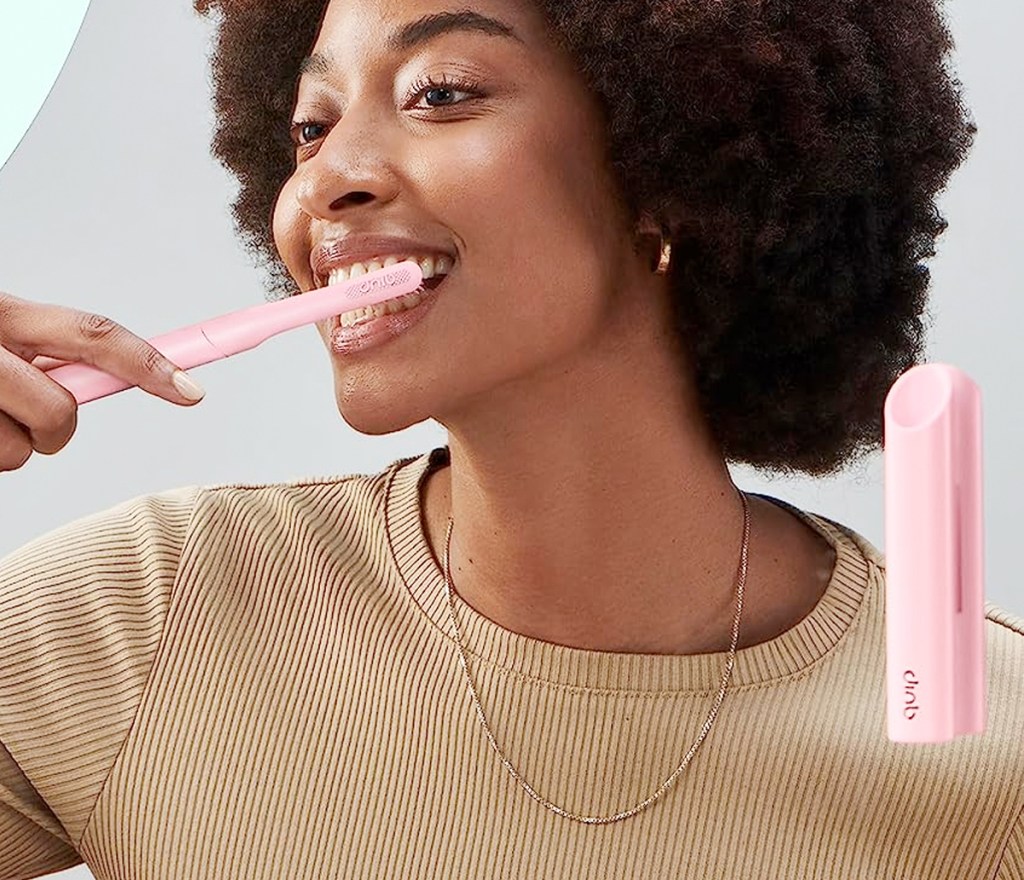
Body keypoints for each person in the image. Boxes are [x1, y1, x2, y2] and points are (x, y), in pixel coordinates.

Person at [1, 0, 1021, 877]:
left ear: (666, 157)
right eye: (310, 127)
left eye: (440, 92)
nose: (326, 180)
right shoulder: (139, 617)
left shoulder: (989, 744)